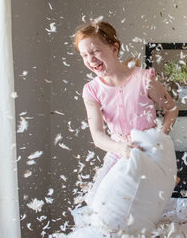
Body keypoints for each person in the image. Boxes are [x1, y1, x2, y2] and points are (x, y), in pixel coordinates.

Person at [74, 20, 178, 204]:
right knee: (100, 202)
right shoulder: (91, 90)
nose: (90, 59)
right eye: (84, 55)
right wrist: (123, 149)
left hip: (151, 148)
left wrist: (159, 140)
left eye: (95, 51)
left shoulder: (143, 79)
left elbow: (171, 109)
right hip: (118, 150)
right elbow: (98, 136)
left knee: (145, 203)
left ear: (114, 48)